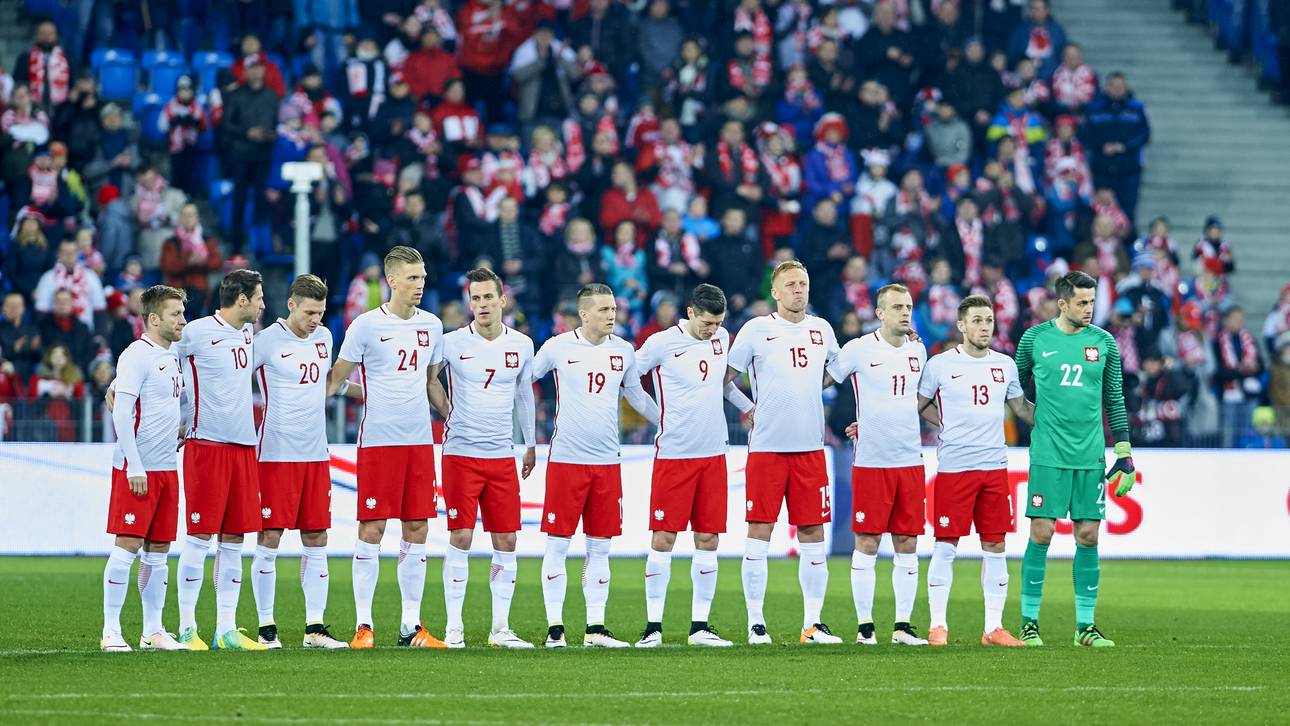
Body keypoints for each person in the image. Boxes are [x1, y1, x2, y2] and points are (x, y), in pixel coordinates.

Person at [327, 246, 448, 649]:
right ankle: (364, 626)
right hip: (378, 441)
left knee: (417, 526)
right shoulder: (364, 326)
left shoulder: (432, 325)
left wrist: (453, 417)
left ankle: (410, 627)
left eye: (423, 277)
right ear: (392, 280)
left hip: (418, 441)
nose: (420, 284)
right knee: (373, 528)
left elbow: (432, 383)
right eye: (413, 278)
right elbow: (335, 380)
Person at [530, 283, 660, 648]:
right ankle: (555, 629)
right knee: (557, 545)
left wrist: (667, 422)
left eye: (613, 309)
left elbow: (636, 395)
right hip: (567, 461)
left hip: (607, 463)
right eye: (603, 310)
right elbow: (526, 380)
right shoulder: (557, 347)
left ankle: (595, 629)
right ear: (584, 313)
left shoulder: (624, 351)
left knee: (600, 547)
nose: (611, 316)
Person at [1014, 271, 1134, 647]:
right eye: (1081, 302)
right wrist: (1040, 419)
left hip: (1090, 456)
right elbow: (1013, 391)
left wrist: (1124, 451)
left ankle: (1085, 627)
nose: (1088, 309)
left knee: (1088, 535)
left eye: (1092, 302)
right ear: (1062, 303)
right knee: (1042, 532)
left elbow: (1114, 399)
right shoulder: (1034, 339)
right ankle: (1029, 623)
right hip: (1049, 454)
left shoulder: (1105, 343)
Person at [725, 260, 842, 646]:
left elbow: (838, 372)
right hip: (768, 449)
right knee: (760, 530)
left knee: (812, 532)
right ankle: (756, 623)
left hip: (810, 448)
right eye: (790, 284)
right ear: (774, 292)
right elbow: (723, 378)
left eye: (803, 283)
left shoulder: (822, 329)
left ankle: (812, 624)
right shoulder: (756, 329)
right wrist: (748, 408)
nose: (798, 289)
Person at [632, 284, 754, 648]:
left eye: (718, 323)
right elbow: (629, 383)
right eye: (707, 323)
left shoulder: (722, 339)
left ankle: (700, 626)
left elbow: (723, 385)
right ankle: (653, 627)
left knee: (708, 538)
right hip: (674, 456)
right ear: (689, 313)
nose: (712, 330)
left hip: (714, 454)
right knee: (664, 537)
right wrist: (660, 418)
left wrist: (749, 408)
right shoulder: (660, 343)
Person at [248, 275, 358, 650]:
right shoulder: (264, 343)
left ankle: (315, 629)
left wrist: (367, 390)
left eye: (321, 312)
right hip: (276, 455)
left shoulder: (325, 338)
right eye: (310, 312)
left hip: (315, 454)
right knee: (270, 536)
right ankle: (266, 628)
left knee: (316, 537)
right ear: (292, 305)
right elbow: (229, 380)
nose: (316, 319)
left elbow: (328, 382)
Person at [917, 295, 1034, 646]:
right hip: (955, 468)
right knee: (946, 544)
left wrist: (1057, 417)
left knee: (995, 544)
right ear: (962, 326)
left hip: (995, 467)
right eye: (978, 321)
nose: (985, 327)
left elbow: (1021, 409)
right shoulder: (940, 364)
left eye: (989, 321)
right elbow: (919, 404)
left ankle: (993, 628)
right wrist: (945, 424)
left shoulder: (1005, 365)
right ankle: (938, 624)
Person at [433, 268, 538, 649]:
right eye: (475, 298)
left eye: (488, 298)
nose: (481, 305)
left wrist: (530, 443)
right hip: (461, 454)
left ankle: (500, 629)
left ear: (502, 300)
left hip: (500, 456)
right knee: (461, 535)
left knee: (506, 539)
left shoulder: (522, 345)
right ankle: (454, 627)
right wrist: (448, 412)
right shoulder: (451, 343)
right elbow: (429, 380)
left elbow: (525, 395)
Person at [165, 269, 267, 651]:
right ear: (241, 299)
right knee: (198, 537)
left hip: (244, 447)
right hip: (206, 445)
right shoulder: (196, 332)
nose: (262, 304)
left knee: (235, 539)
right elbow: (158, 351)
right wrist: (117, 385)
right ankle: (188, 627)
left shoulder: (246, 333)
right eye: (258, 298)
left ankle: (227, 628)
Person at [826, 283, 930, 646]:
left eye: (909, 306)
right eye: (898, 307)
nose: (905, 312)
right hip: (871, 461)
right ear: (880, 312)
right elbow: (825, 380)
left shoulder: (919, 349)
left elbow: (917, 400)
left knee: (907, 541)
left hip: (910, 460)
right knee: (867, 541)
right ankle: (865, 627)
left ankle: (903, 626)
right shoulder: (857, 349)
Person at [100, 285, 189, 652]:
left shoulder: (173, 354)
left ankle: (153, 630)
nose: (183, 320)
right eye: (175, 314)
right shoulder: (136, 354)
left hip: (167, 466)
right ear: (154, 319)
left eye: (182, 313)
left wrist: (179, 430)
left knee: (159, 551)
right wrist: (135, 466)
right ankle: (111, 631)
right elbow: (121, 409)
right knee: (127, 546)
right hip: (138, 468)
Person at [1082, 73, 1149, 224]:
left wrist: (1124, 147)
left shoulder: (1136, 109)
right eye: (1114, 86)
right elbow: (1086, 133)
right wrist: (1102, 147)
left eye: (1121, 86)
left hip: (1128, 169)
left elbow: (1144, 134)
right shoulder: (1094, 108)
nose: (1117, 90)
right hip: (1101, 168)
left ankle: (1126, 244)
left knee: (1127, 210)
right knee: (1100, 209)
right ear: (1106, 87)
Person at [32, 238, 106, 330]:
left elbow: (99, 309)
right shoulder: (48, 278)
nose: (70, 256)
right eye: (66, 252)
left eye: (73, 252)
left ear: (79, 253)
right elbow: (41, 310)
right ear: (58, 254)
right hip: (55, 333)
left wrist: (100, 336)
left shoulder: (91, 277)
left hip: (84, 333)